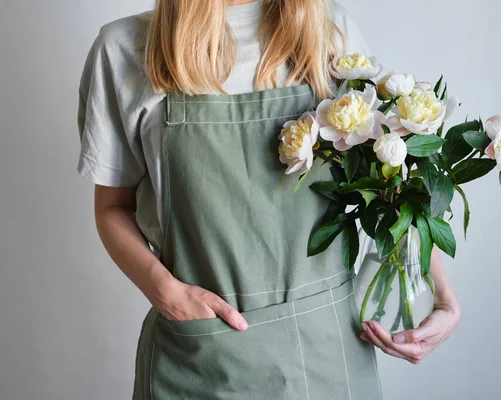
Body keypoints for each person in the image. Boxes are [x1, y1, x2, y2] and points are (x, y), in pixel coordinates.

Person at [76, 0, 461, 398]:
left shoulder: (329, 33)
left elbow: (391, 183)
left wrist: (442, 294)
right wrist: (167, 293)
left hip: (328, 352)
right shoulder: (127, 48)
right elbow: (112, 208)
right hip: (203, 362)